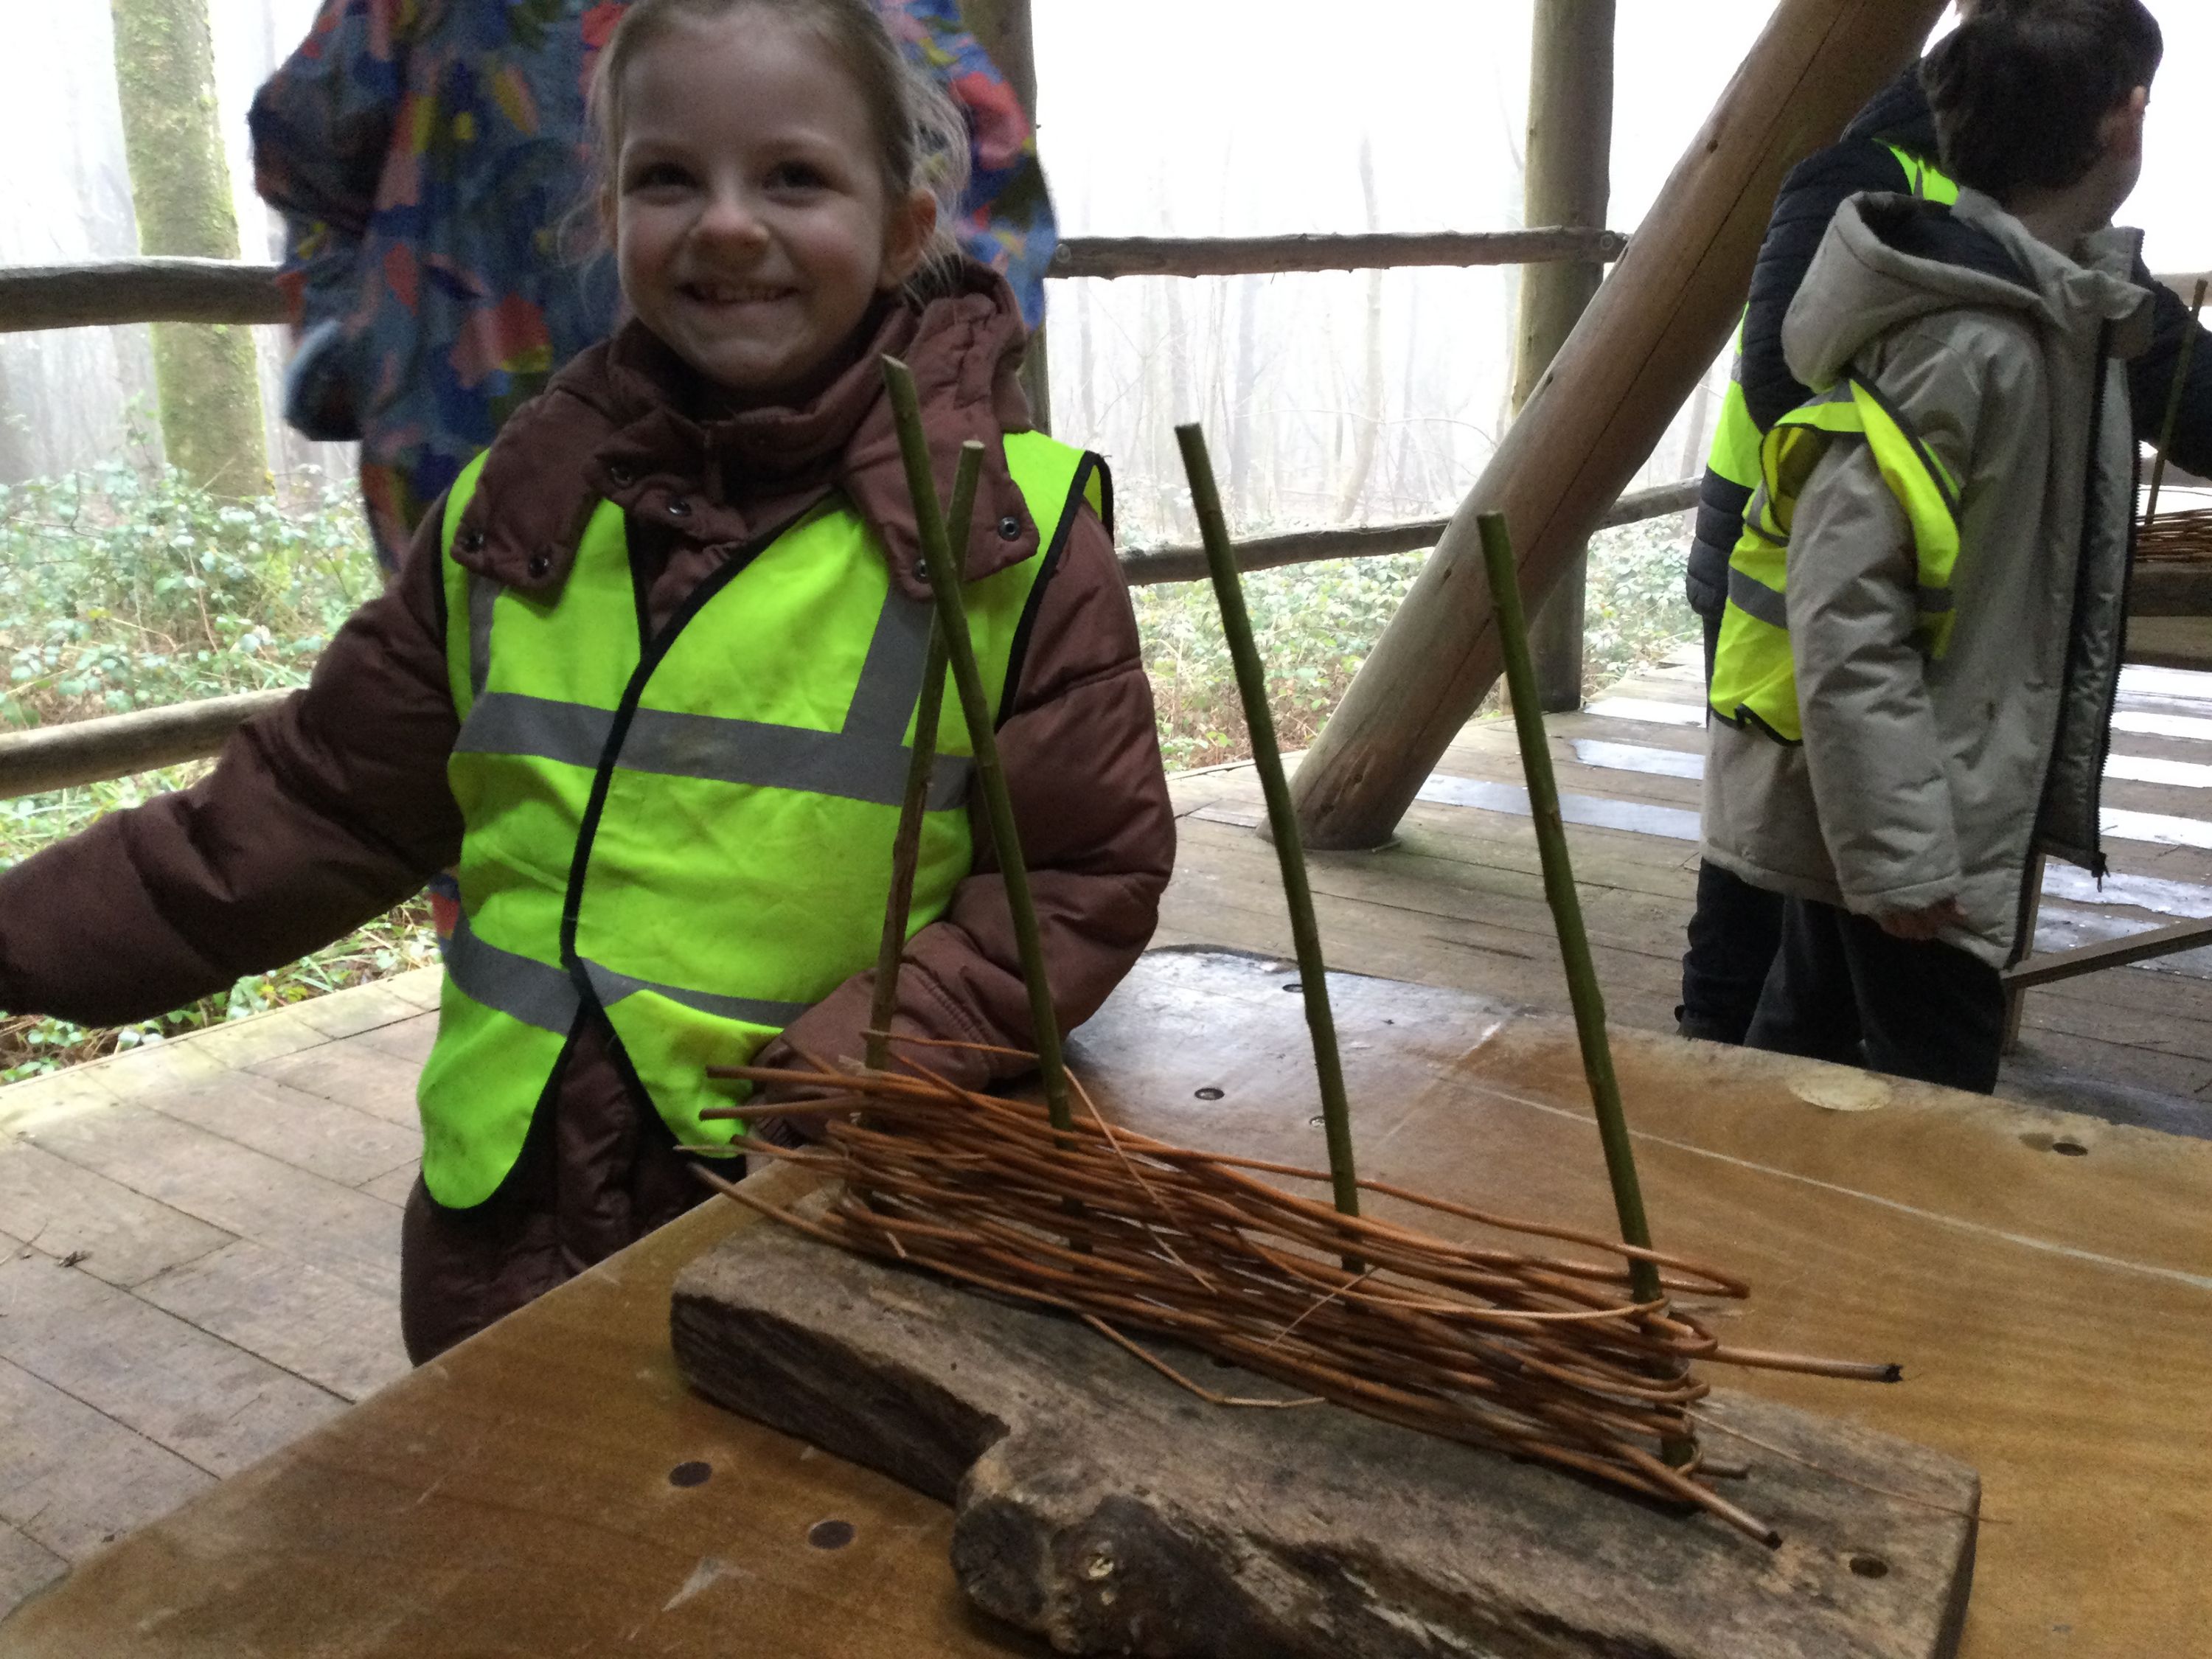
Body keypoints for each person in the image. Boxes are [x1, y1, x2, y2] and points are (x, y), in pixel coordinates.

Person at [0, 0, 1172, 1360]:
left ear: (907, 229)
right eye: (670, 178)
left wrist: (868, 1064)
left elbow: (1078, 880)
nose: (728, 223)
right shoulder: (514, 514)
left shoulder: (1002, 537)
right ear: (608, 219)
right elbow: (301, 813)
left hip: (822, 1195)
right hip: (507, 1210)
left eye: (794, 176)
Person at [1676, 0, 2212, 1046]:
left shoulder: (2058, 249)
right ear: (2118, 115)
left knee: (1816, 956)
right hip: (1783, 597)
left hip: (1903, 629)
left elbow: (2185, 389)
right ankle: (1701, 1088)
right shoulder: (1882, 201)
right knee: (1762, 896)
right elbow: (1797, 377)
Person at [249, 0, 1057, 571]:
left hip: (799, 491)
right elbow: (306, 143)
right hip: (470, 467)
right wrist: (337, 343)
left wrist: (939, 399)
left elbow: (981, 186)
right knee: (476, 765)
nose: (729, 226)